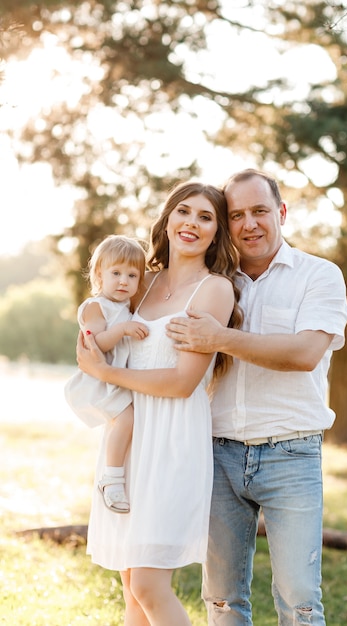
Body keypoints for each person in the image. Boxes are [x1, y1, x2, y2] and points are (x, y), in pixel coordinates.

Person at [166, 169, 347, 625]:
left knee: (300, 601)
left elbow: (306, 353)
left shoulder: (319, 275)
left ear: (281, 213)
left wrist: (218, 337)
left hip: (292, 452)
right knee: (223, 599)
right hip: (218, 451)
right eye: (237, 215)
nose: (249, 224)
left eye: (260, 211)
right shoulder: (212, 283)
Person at [75, 181, 242, 626]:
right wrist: (90, 340)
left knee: (149, 584)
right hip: (127, 441)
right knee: (132, 588)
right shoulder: (140, 283)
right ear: (167, 219)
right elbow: (96, 323)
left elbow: (183, 382)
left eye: (205, 217)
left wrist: (104, 372)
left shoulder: (215, 290)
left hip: (172, 441)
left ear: (217, 231)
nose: (191, 223)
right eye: (183, 211)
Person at [65, 234, 148, 513]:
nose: (124, 281)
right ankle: (111, 479)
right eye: (116, 273)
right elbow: (95, 343)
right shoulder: (96, 306)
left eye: (132, 275)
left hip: (116, 378)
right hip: (99, 381)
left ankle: (119, 474)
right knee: (126, 419)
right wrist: (123, 330)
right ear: (99, 273)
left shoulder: (125, 307)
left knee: (126, 422)